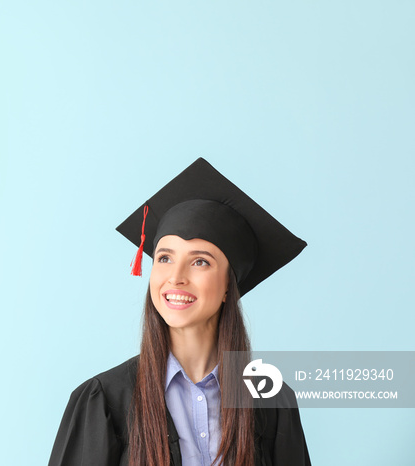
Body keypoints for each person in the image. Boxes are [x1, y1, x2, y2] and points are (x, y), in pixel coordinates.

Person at [48, 158, 311, 466]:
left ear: (229, 285)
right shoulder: (104, 400)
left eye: (200, 261)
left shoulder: (271, 401)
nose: (175, 277)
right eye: (164, 258)